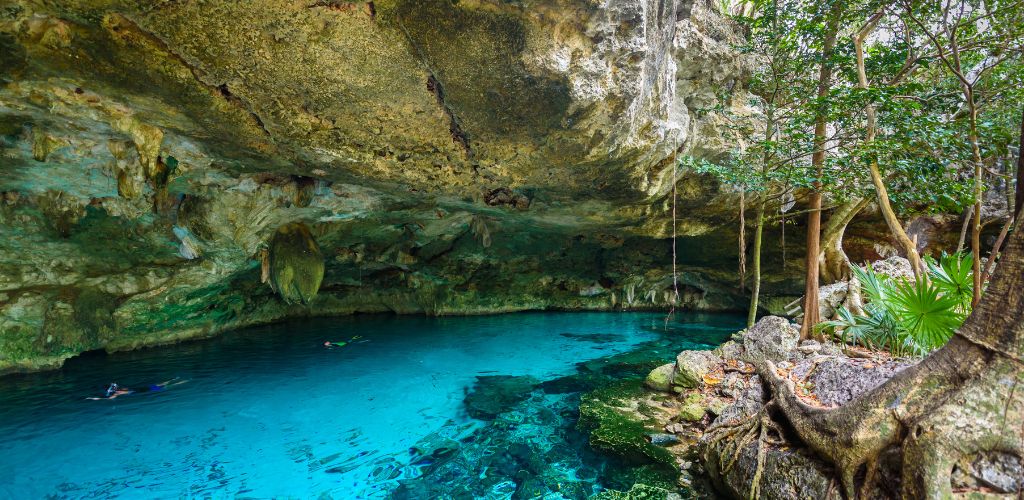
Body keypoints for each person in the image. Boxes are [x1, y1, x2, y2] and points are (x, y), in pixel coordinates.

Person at [87, 377, 187, 400]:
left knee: (165, 385)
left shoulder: (118, 392)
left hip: (147, 389)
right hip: (145, 388)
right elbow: (107, 397)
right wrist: (93, 398)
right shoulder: (120, 390)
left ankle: (180, 381)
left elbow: (107, 398)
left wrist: (94, 398)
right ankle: (177, 379)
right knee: (162, 384)